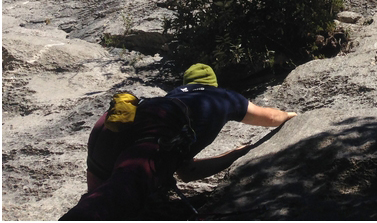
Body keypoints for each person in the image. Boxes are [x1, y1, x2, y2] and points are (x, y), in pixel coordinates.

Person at [60, 63, 297, 220]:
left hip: (111, 124)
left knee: (99, 197)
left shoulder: (171, 98)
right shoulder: (222, 97)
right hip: (151, 136)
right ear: (213, 83)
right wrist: (291, 116)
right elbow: (270, 117)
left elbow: (186, 171)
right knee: (114, 199)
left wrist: (233, 155)